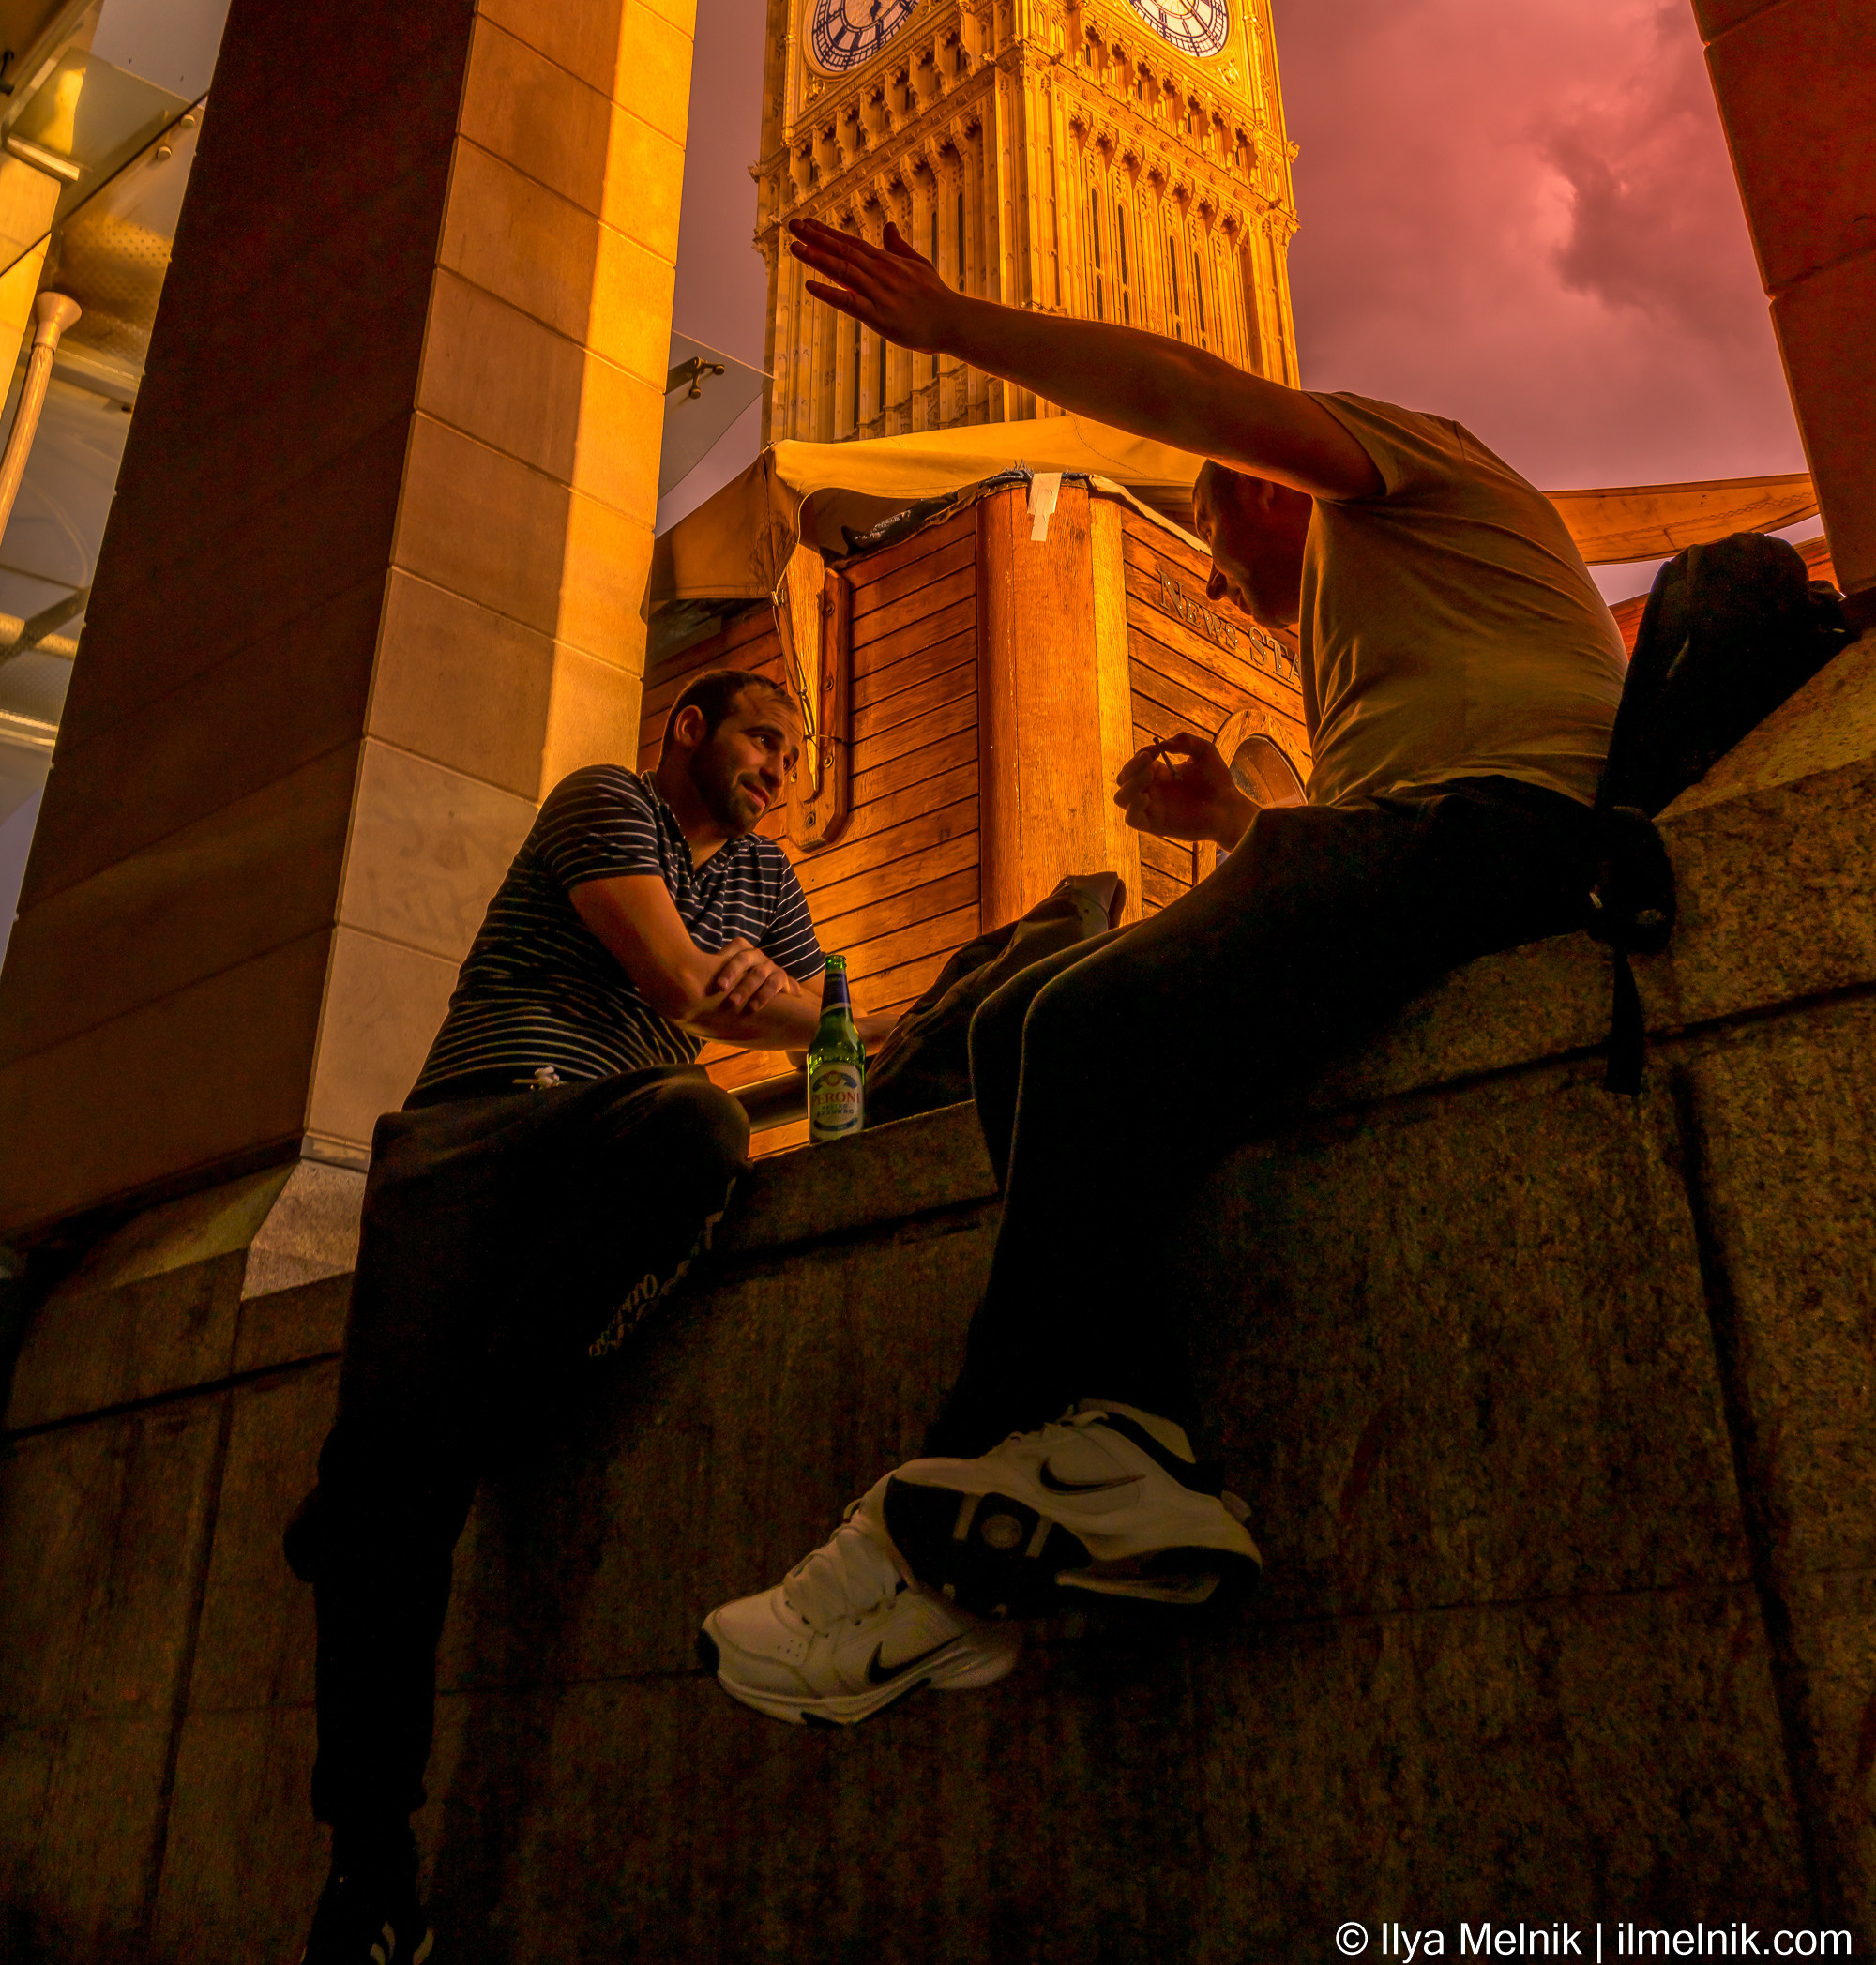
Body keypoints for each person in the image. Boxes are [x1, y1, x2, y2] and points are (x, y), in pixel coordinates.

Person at [699, 214, 1627, 1729]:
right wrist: (1236, 825)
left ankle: (955, 1507)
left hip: (1519, 830)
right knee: (1015, 1023)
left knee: (1083, 1020)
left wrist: (954, 324)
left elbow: (1193, 392)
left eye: (1210, 529)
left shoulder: (1404, 463)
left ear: (1263, 479)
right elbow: (1375, 875)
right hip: (1450, 844)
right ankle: (1107, 1440)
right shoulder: (1392, 607)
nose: (1213, 580)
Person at [293, 669, 886, 1963]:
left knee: (699, 1123)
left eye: (793, 755)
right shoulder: (608, 800)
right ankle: (370, 1868)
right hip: (478, 1123)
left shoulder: (768, 877)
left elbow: (828, 1018)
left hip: (620, 1121)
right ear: (691, 728)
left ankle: (384, 1474)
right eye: (762, 739)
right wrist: (754, 992)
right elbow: (679, 984)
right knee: (396, 1515)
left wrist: (812, 1007)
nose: (779, 769)